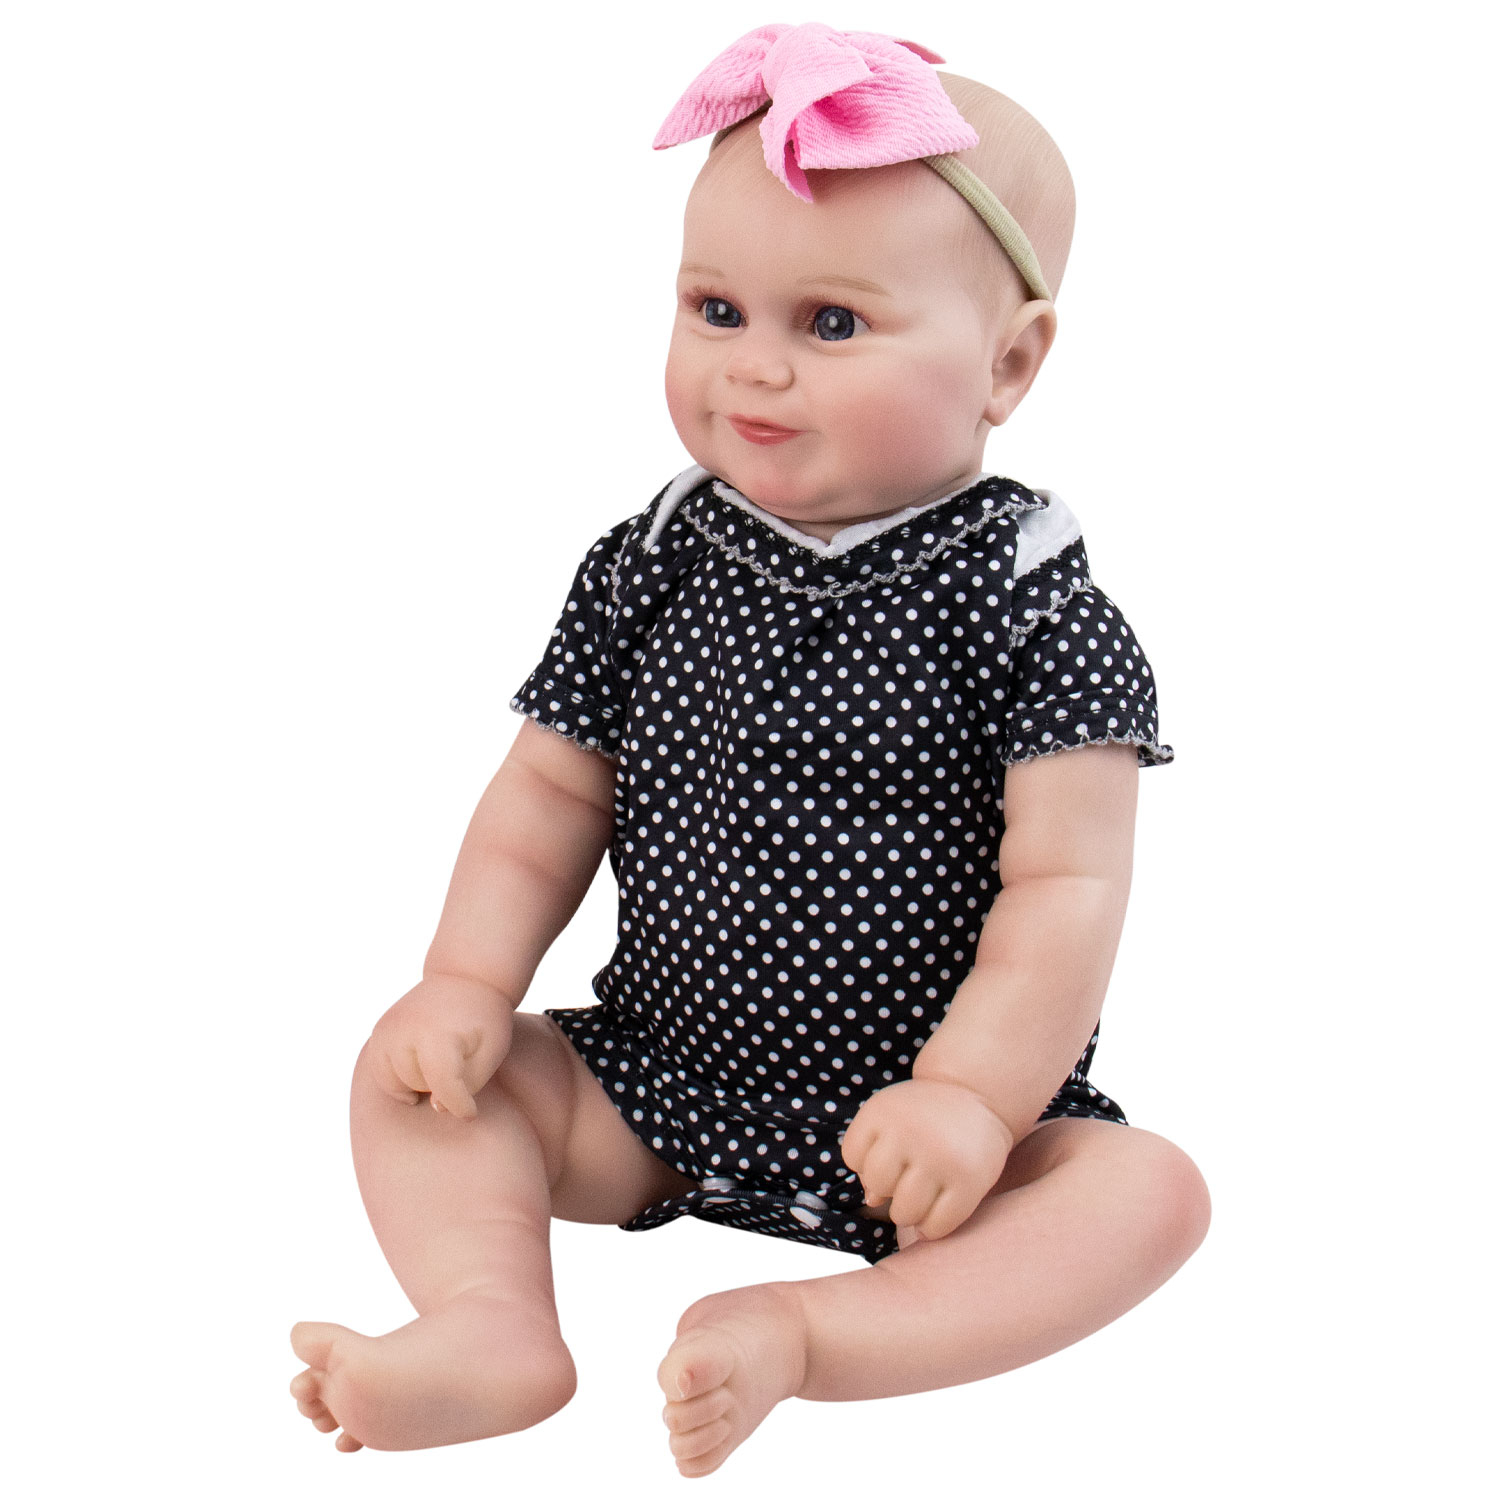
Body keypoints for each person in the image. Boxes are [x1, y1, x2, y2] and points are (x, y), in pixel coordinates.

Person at [290, 23, 1211, 1478]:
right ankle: (489, 1322)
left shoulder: (1029, 604)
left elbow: (1067, 893)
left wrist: (974, 1099)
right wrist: (466, 983)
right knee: (416, 1078)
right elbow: (547, 794)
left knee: (1144, 1197)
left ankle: (809, 1334)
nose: (754, 370)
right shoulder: (652, 557)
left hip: (937, 1152)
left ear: (1010, 362)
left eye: (831, 325)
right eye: (715, 309)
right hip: (655, 1090)